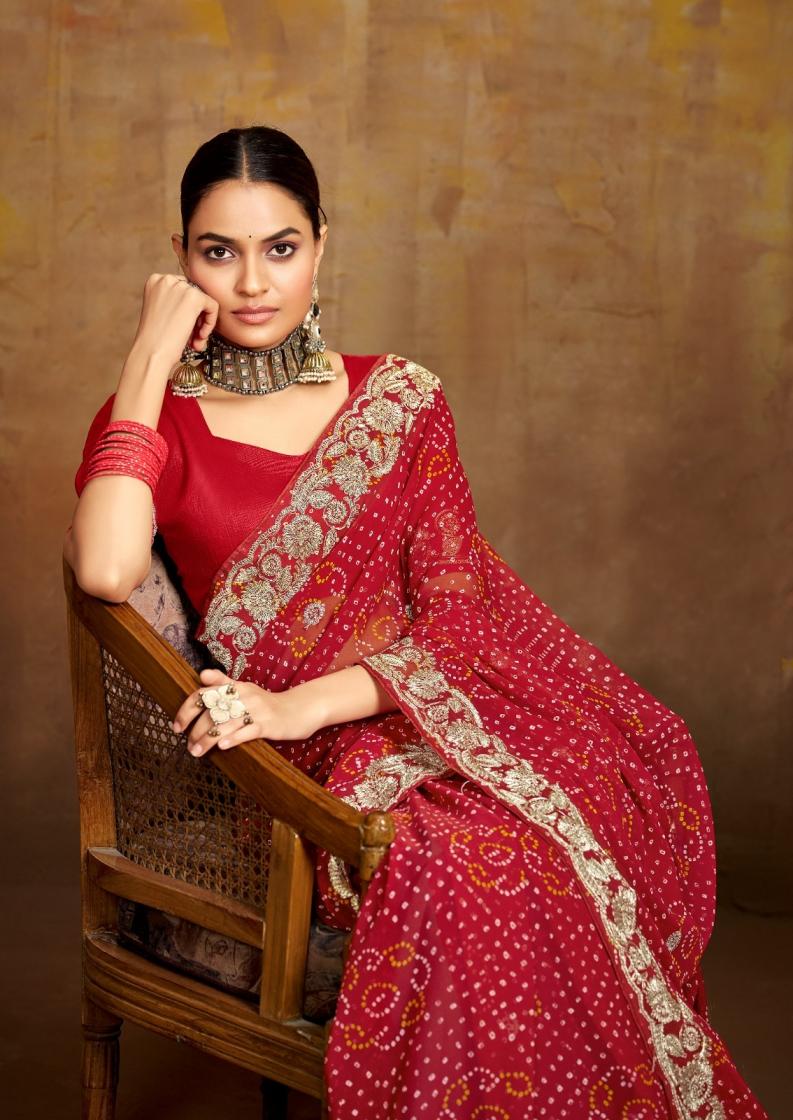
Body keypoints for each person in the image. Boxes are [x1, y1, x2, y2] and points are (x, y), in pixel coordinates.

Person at [66, 125, 769, 1120]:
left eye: (281, 247)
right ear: (180, 260)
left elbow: (456, 620)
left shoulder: (397, 398)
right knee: (467, 864)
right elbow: (103, 568)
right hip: (289, 764)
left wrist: (301, 702)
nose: (253, 283)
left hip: (414, 710)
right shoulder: (156, 421)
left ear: (321, 246)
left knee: (576, 813)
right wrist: (147, 355)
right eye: (218, 252)